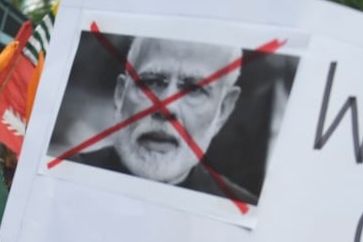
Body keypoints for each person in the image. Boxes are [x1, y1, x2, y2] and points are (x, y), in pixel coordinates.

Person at [72, 36, 256, 204]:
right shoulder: (67, 175)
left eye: (194, 90)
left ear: (222, 111)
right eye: (151, 82)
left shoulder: (241, 208)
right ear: (120, 94)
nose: (166, 107)